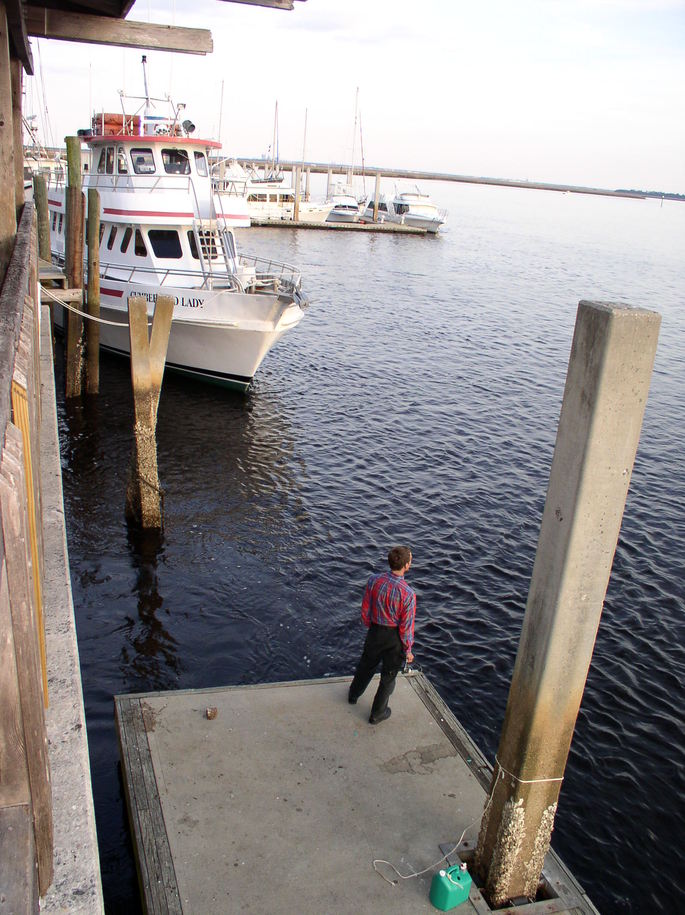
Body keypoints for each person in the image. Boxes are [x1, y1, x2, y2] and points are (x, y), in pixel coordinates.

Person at [348, 546, 416, 724]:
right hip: (394, 638)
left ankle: (353, 695)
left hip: (375, 631)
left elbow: (366, 606)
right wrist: (408, 650)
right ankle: (377, 713)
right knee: (388, 676)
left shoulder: (374, 580)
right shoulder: (408, 594)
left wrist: (369, 624)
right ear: (406, 566)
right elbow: (406, 627)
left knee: (366, 666)